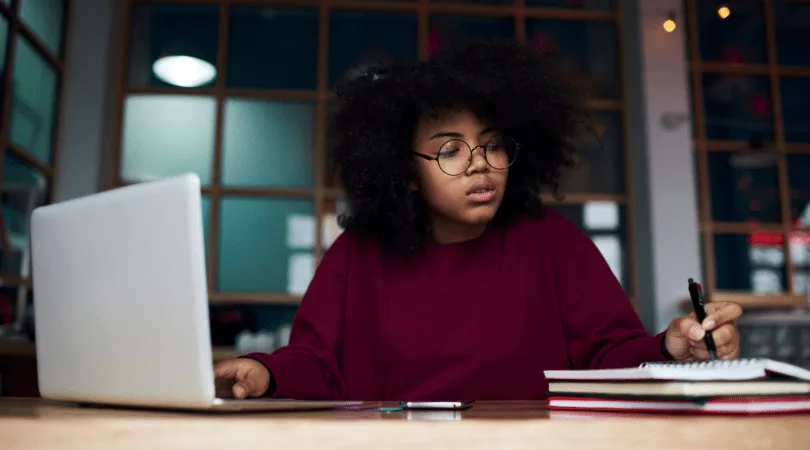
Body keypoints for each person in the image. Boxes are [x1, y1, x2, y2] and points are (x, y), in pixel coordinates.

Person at [213, 40, 742, 401]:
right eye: (450, 151)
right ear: (408, 173)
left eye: (491, 145)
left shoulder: (553, 241)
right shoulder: (358, 252)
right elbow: (316, 363)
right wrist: (266, 373)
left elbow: (608, 355)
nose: (479, 163)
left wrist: (670, 347)